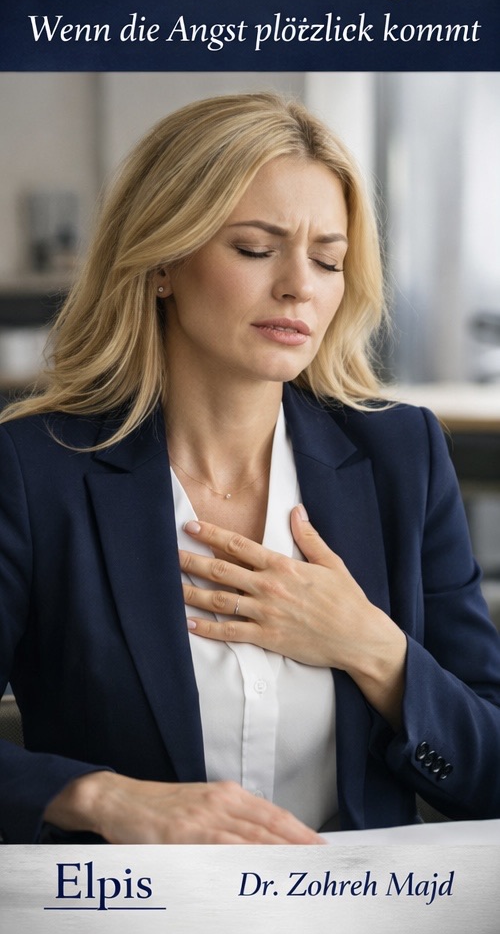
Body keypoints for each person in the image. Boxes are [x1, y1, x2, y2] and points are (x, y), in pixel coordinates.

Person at [1, 92, 499, 845]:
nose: (300, 284)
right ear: (162, 261)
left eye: (328, 258)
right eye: (256, 249)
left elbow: (489, 770)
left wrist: (371, 646)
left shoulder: (404, 457)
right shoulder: (36, 472)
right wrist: (102, 799)